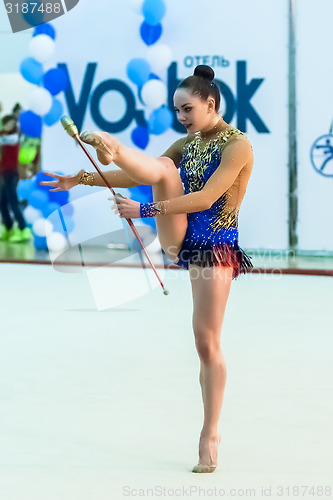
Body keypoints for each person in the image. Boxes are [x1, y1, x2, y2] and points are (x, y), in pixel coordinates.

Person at [40, 65, 254, 473]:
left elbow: (208, 198)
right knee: (164, 168)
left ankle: (211, 431)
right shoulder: (186, 142)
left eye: (187, 109)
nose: (182, 118)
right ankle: (114, 147)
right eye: (177, 111)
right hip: (179, 237)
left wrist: (144, 210)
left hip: (214, 247)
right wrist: (82, 177)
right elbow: (146, 174)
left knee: (206, 343)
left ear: (211, 104)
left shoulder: (238, 146)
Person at [0, 114, 32, 243]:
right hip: (3, 172)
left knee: (13, 201)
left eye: (14, 123)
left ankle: (23, 228)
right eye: (10, 123)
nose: (12, 125)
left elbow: (9, 140)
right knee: (2, 202)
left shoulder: (16, 136)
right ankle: (8, 228)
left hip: (12, 172)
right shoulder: (4, 134)